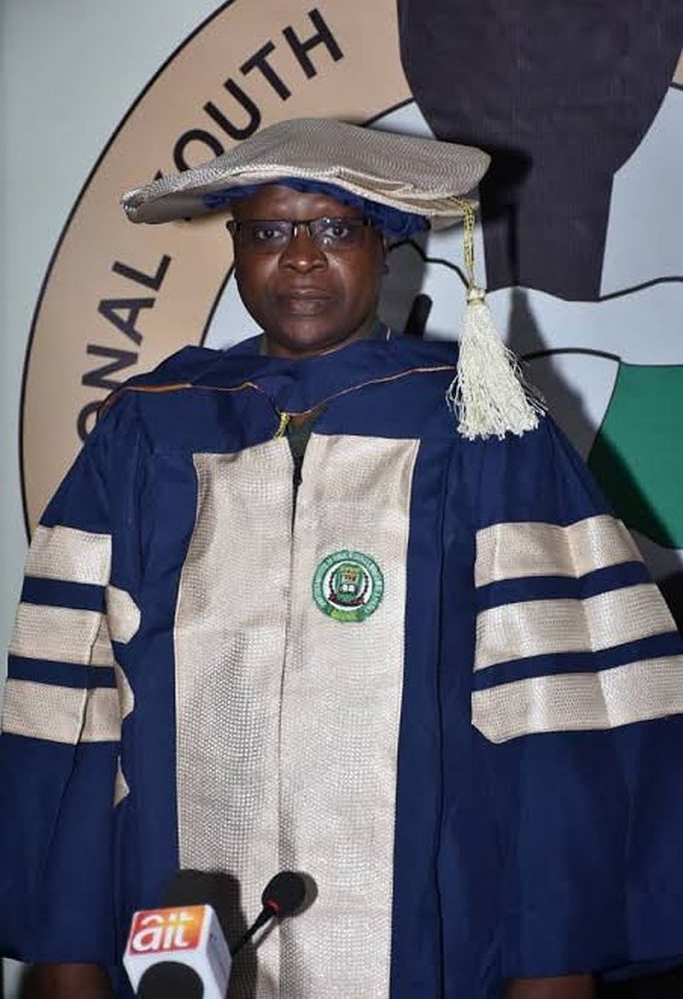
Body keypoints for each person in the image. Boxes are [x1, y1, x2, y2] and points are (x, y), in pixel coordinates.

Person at [2, 118, 683, 999]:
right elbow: (73, 704)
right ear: (235, 248)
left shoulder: (481, 430)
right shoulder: (149, 427)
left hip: (437, 909)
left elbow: (553, 720)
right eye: (268, 232)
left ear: (383, 245)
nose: (298, 257)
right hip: (174, 912)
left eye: (333, 228)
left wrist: (552, 959)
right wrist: (66, 947)